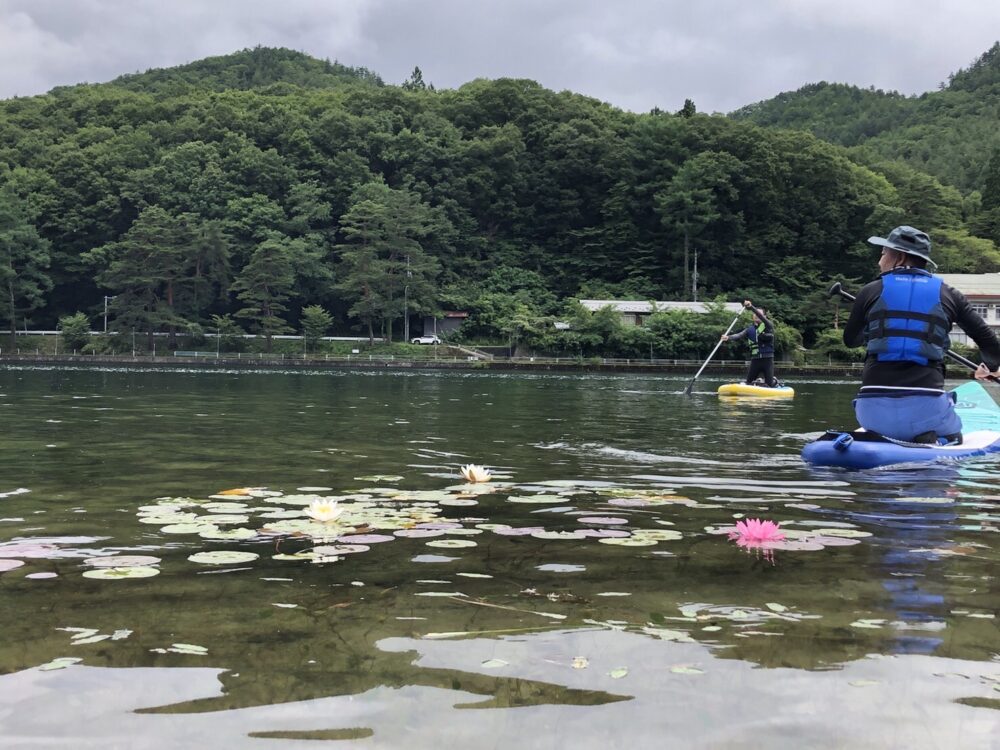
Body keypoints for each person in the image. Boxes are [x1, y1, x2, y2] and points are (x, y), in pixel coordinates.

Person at [842, 225, 1000, 444]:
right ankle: (938, 439)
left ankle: (893, 434)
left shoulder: (870, 291)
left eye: (884, 252)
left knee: (879, 412)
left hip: (872, 413)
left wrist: (876, 329)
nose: (880, 258)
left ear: (900, 257)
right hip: (926, 411)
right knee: (956, 434)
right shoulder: (950, 294)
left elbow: (850, 340)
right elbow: (989, 342)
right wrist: (990, 368)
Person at [721, 300, 779, 387]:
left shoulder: (768, 325)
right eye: (755, 314)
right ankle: (758, 382)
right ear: (752, 317)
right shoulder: (749, 329)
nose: (756, 315)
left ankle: (774, 381)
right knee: (748, 382)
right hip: (755, 360)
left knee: (770, 384)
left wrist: (751, 307)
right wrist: (728, 337)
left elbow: (760, 315)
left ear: (764, 316)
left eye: (759, 314)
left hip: (767, 360)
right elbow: (739, 335)